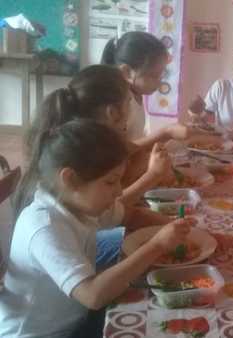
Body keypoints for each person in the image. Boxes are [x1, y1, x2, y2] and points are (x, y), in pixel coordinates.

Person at [0, 120, 195, 337]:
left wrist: (184, 230)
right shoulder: (44, 228)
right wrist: (157, 244)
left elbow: (131, 214)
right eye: (111, 182)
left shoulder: (76, 203)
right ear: (70, 179)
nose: (119, 191)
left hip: (75, 317)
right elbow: (93, 296)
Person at [15, 64, 173, 271]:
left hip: (86, 240)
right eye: (128, 102)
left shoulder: (84, 139)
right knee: (143, 258)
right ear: (112, 112)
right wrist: (152, 176)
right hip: (69, 259)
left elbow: (115, 210)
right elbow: (105, 209)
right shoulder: (81, 150)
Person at [101, 31, 202, 145]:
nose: (159, 83)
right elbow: (119, 152)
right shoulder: (120, 105)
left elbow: (137, 139)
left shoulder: (136, 95)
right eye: (153, 76)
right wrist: (166, 133)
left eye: (161, 75)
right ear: (127, 72)